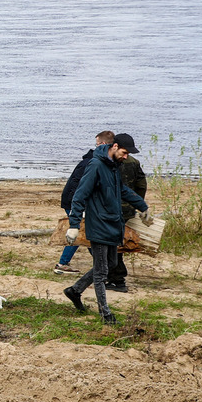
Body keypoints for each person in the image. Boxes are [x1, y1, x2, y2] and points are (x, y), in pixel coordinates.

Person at [63, 133, 149, 325]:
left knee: (111, 265)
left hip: (113, 224)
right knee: (102, 272)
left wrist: (142, 206)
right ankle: (106, 314)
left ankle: (75, 290)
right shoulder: (96, 166)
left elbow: (122, 190)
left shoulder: (114, 166)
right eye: (125, 152)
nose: (126, 157)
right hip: (99, 225)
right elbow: (79, 196)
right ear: (115, 146)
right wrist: (74, 226)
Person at [54, 131, 115, 275]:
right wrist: (80, 206)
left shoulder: (100, 162)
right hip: (74, 202)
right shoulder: (91, 162)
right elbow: (77, 186)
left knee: (85, 232)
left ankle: (101, 264)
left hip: (77, 201)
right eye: (97, 144)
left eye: (97, 144)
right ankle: (64, 263)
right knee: (82, 231)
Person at [107, 152, 147, 293]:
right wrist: (137, 203)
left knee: (112, 245)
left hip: (113, 208)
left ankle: (117, 279)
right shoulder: (134, 162)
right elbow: (141, 184)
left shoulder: (110, 161)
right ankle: (113, 276)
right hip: (128, 208)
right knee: (117, 242)